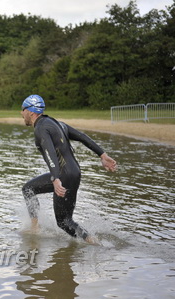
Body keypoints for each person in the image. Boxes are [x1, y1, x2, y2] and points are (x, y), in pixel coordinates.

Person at [20, 94, 117, 244]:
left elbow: (49, 151)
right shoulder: (58, 124)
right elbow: (82, 136)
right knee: (66, 220)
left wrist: (55, 178)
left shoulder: (40, 128)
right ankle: (92, 240)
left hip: (63, 175)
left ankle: (36, 228)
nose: (21, 113)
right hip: (75, 173)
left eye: (23, 110)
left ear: (30, 111)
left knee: (31, 192)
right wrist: (102, 155)